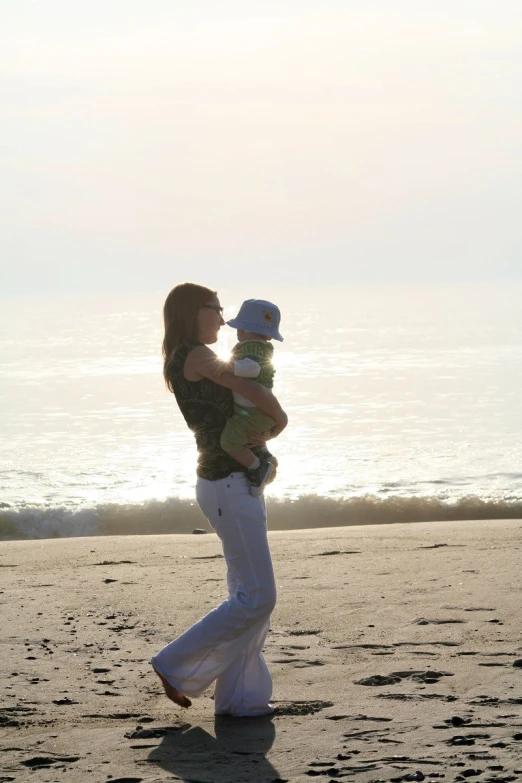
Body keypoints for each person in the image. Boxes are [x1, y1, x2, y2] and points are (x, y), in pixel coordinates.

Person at [150, 282, 288, 717]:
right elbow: (249, 389)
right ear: (195, 312)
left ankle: (242, 699)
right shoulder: (195, 355)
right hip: (225, 482)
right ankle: (175, 665)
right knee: (258, 597)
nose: (223, 317)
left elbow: (241, 396)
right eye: (216, 308)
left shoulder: (191, 354)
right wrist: (280, 419)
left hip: (230, 482)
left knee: (246, 592)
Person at [220, 299, 284, 497]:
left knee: (230, 442)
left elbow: (252, 368)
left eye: (241, 329)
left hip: (255, 411)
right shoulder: (263, 348)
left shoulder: (250, 349)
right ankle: (265, 458)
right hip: (261, 411)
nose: (238, 333)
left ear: (242, 330)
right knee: (250, 441)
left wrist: (225, 368)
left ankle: (258, 467)